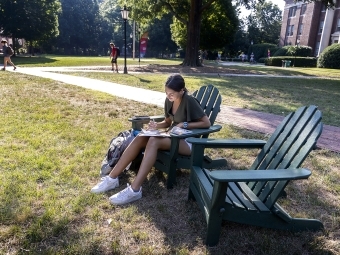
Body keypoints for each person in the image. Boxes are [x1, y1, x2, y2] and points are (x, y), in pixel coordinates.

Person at [91, 74, 211, 205]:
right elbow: (167, 122)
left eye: (172, 93)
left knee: (154, 141)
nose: (168, 96)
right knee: (142, 136)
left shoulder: (189, 101)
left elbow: (206, 123)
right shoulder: (169, 101)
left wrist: (185, 124)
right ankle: (112, 178)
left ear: (182, 91)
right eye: (166, 92)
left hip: (189, 142)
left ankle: (134, 190)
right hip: (174, 136)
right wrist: (156, 126)